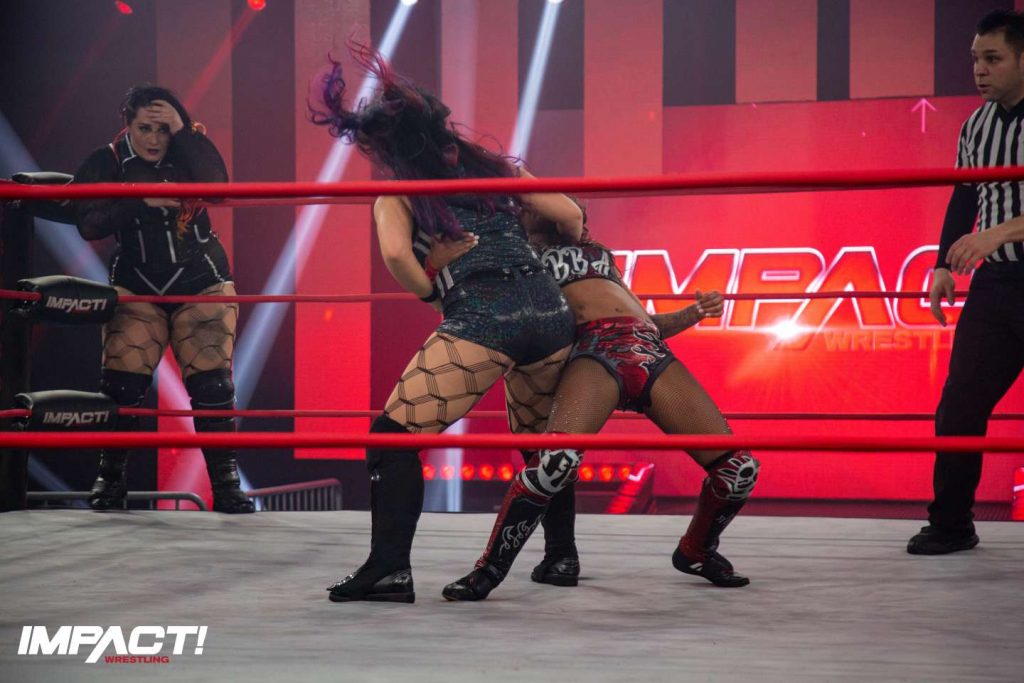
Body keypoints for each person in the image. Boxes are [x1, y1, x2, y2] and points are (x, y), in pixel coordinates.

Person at [311, 47, 583, 604]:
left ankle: (389, 570)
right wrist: (536, 256)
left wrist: (434, 289)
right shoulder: (498, 169)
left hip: (486, 315)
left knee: (391, 440)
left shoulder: (400, 190)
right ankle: (561, 557)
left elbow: (397, 257)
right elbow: (571, 215)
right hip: (549, 312)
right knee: (541, 444)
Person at [441, 211, 760, 601]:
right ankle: (489, 570)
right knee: (555, 462)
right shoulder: (515, 254)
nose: (551, 207)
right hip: (593, 351)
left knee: (738, 469)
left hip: (646, 347)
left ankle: (696, 550)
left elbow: (647, 321)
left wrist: (695, 313)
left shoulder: (599, 254)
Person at [74, 85, 254, 514]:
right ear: (127, 125)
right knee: (122, 384)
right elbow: (87, 224)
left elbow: (218, 188)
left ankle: (227, 487)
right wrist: (138, 199)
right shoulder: (107, 161)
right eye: (145, 128)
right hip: (137, 282)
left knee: (213, 385)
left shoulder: (189, 151)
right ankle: (110, 481)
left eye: (164, 129)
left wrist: (184, 132)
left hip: (200, 278)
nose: (155, 139)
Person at [908, 9, 1024, 555]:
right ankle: (951, 523)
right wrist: (941, 265)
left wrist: (996, 233)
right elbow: (964, 195)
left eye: (993, 58)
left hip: (1005, 258)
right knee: (959, 405)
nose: (979, 69)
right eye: (976, 58)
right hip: (998, 285)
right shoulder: (976, 125)